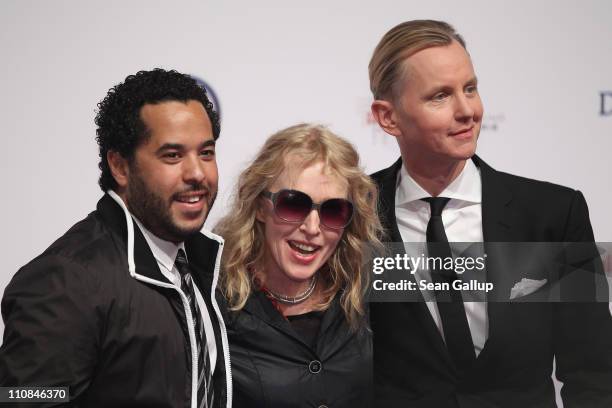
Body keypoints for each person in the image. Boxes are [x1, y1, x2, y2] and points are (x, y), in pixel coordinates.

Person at [367, 20, 612, 407]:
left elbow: (594, 371)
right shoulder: (352, 215)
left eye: (470, 88)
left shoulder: (553, 213)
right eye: (440, 96)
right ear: (388, 117)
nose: (468, 111)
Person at [0, 69, 231, 408]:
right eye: (172, 155)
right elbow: (20, 398)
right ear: (120, 167)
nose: (197, 173)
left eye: (206, 153)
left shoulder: (200, 264)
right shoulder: (67, 279)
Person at [215, 124, 381, 407]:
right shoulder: (213, 301)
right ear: (259, 206)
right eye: (294, 205)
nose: (312, 228)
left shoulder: (368, 281)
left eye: (334, 210)